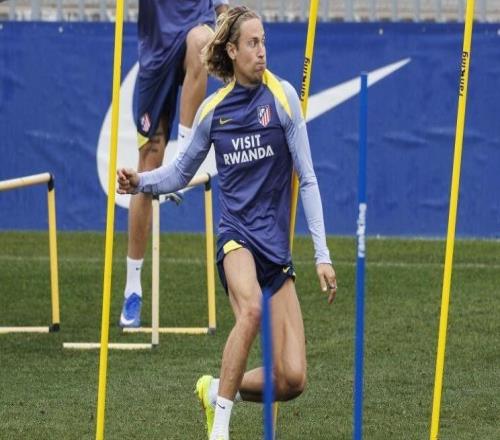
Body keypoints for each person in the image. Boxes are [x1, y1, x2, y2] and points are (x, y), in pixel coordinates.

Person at [117, 6, 337, 440]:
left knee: (292, 379)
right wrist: (141, 181)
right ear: (232, 51)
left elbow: (308, 178)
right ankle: (220, 428)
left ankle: (216, 389)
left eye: (264, 41)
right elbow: (180, 172)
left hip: (275, 248)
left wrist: (322, 255)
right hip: (236, 237)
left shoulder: (283, 98)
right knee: (250, 310)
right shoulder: (213, 111)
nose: (262, 51)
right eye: (253, 43)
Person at [119, 0, 229, 328]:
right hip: (156, 53)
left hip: (195, 33)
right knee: (148, 164)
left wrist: (229, 28)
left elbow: (222, 9)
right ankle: (132, 288)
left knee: (201, 41)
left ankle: (184, 152)